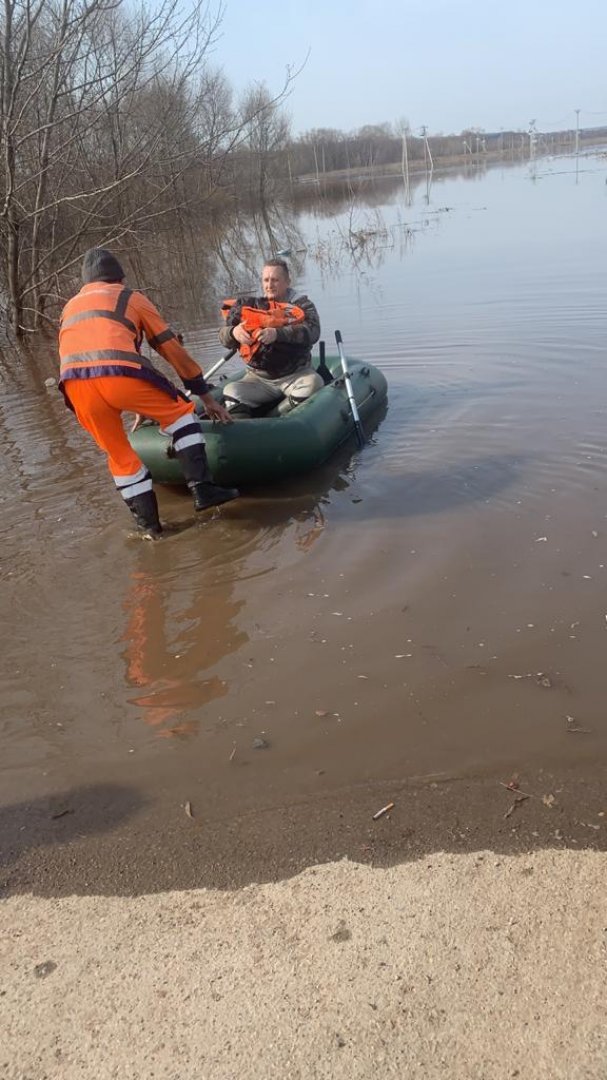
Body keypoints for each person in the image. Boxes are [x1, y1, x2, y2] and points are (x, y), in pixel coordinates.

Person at [58, 247, 238, 539]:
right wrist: (205, 397)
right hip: (120, 375)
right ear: (120, 279)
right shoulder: (130, 298)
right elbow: (170, 348)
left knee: (119, 455)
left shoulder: (70, 307)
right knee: (181, 415)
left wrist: (138, 402)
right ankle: (204, 490)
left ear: (86, 282)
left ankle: (149, 528)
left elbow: (94, 355)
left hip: (74, 387)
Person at [219, 259, 322, 417]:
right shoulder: (251, 307)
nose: (269, 285)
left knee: (314, 383)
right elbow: (222, 336)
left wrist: (277, 333)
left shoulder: (303, 305)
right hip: (259, 379)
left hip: (296, 375)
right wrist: (233, 332)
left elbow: (313, 331)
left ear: (287, 282)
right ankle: (244, 424)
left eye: (275, 280)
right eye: (266, 280)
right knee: (231, 391)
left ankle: (273, 417)